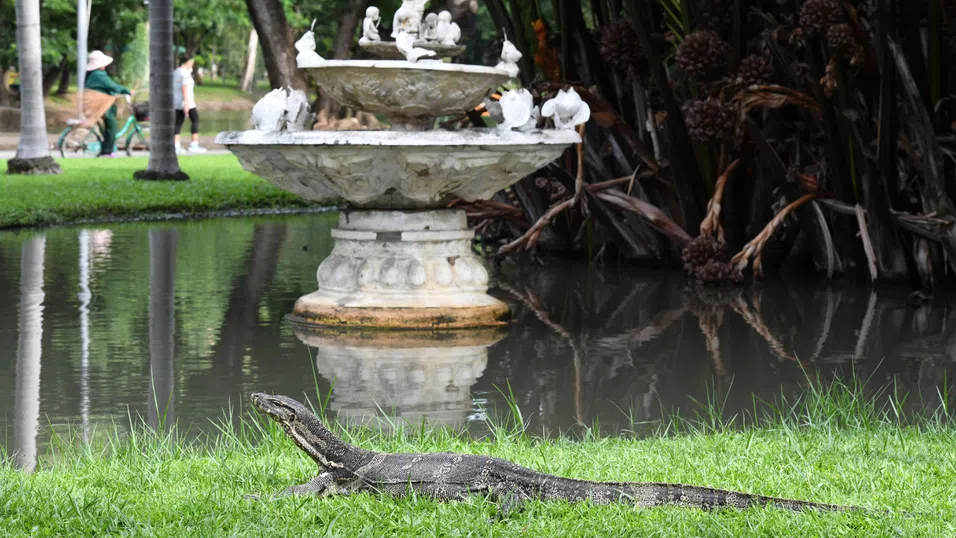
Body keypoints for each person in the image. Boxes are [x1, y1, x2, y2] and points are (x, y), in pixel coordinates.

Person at [84, 50, 131, 158]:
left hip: (97, 102)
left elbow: (106, 88)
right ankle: (107, 152)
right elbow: (112, 86)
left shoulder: (92, 74)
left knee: (108, 125)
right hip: (99, 104)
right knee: (112, 125)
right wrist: (126, 91)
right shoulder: (99, 75)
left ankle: (105, 149)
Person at [173, 56, 206, 154]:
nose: (192, 64)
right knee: (195, 120)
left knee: (178, 123)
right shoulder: (185, 73)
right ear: (187, 62)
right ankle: (194, 145)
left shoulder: (176, 72)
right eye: (191, 62)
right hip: (187, 102)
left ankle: (176, 146)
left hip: (177, 102)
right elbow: (185, 87)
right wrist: (186, 103)